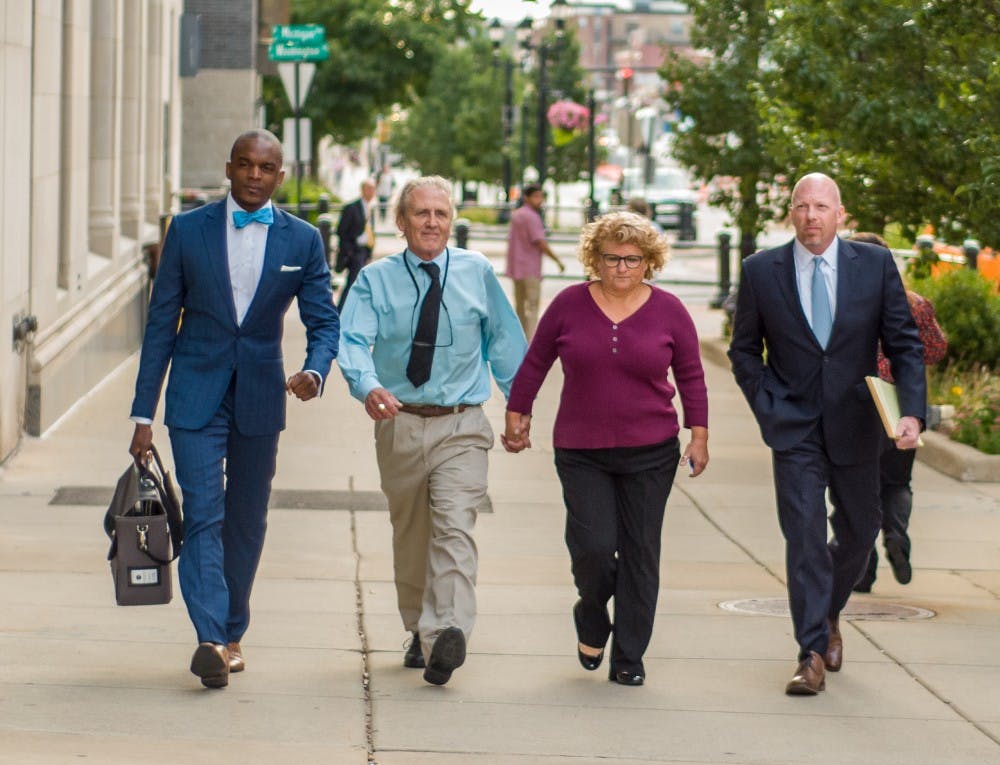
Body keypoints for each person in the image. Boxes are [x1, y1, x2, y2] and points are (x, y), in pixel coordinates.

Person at [128, 129, 340, 689]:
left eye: (265, 168)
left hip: (260, 397)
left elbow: (324, 320)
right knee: (203, 513)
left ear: (279, 177)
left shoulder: (302, 240)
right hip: (194, 396)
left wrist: (315, 371)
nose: (253, 175)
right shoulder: (188, 231)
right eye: (244, 165)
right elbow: (159, 325)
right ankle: (210, 638)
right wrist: (142, 414)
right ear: (228, 168)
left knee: (246, 520)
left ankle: (233, 630)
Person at [728, 172, 925, 696]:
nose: (810, 216)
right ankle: (812, 650)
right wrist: (766, 402)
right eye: (801, 206)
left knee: (861, 532)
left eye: (821, 207)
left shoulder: (875, 265)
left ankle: (828, 608)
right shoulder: (761, 270)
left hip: (858, 425)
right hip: (792, 428)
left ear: (841, 214)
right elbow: (744, 350)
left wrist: (912, 413)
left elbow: (905, 342)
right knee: (805, 537)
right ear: (790, 213)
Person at [503, 211, 709, 686]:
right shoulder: (569, 304)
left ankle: (629, 656)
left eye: (632, 259)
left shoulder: (670, 310)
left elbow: (692, 375)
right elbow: (536, 361)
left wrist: (698, 433)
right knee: (593, 548)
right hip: (581, 449)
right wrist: (519, 410)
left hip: (651, 450)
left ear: (649, 262)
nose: (621, 268)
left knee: (640, 553)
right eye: (611, 258)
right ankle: (593, 613)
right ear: (594, 259)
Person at [337, 175, 527, 686]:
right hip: (398, 420)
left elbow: (505, 341)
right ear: (401, 223)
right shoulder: (375, 280)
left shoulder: (476, 271)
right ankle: (420, 631)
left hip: (461, 423)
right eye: (420, 214)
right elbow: (352, 340)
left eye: (440, 214)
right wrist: (368, 385)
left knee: (454, 527)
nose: (432, 223)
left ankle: (446, 632)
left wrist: (518, 404)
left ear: (452, 220)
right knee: (413, 534)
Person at [848, 232, 947, 592]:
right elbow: (935, 349)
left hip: (856, 405)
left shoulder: (843, 301)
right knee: (897, 481)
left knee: (856, 487)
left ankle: (863, 569)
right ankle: (896, 533)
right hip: (899, 405)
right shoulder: (914, 303)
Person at [505, 183, 565, 338]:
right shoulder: (532, 217)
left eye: (541, 197)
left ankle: (519, 338)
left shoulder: (517, 215)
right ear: (527, 197)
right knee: (532, 307)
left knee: (519, 306)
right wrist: (557, 260)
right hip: (530, 268)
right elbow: (540, 242)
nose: (540, 200)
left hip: (516, 268)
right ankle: (530, 340)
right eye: (536, 196)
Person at [335, 177, 377, 311]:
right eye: (369, 189)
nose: (372, 192)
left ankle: (352, 309)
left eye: (373, 189)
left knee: (360, 281)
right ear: (363, 190)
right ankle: (341, 311)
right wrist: (350, 251)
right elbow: (341, 230)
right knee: (353, 282)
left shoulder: (370, 209)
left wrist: (369, 252)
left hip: (364, 251)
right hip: (354, 252)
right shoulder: (351, 208)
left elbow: (370, 232)